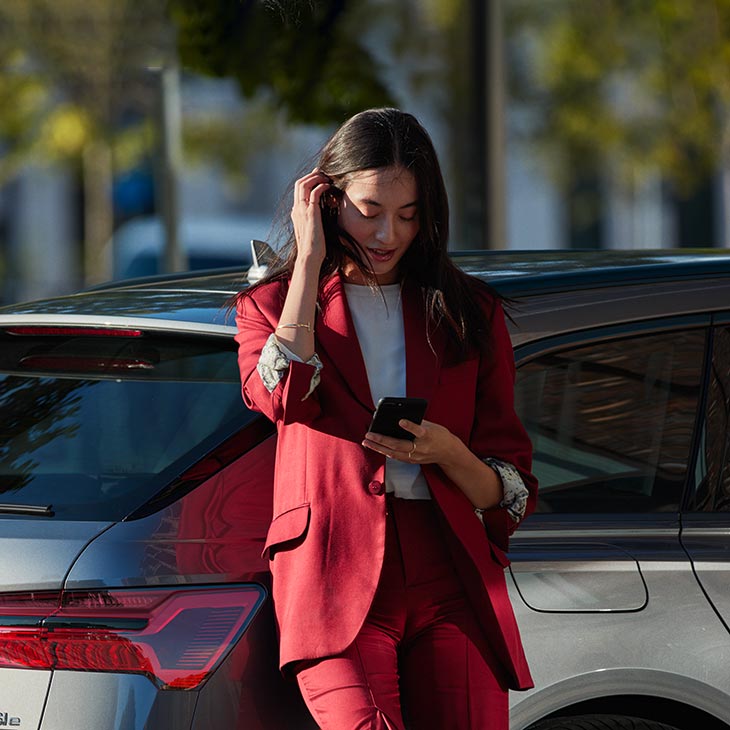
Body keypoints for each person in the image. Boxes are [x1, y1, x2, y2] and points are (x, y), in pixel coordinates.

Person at [234, 108, 538, 730]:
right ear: (325, 200)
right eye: (368, 210)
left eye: (407, 215)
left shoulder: (470, 312)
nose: (386, 235)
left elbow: (510, 493)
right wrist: (309, 260)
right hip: (334, 576)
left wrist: (448, 452)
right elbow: (284, 397)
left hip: (450, 571)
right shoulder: (270, 306)